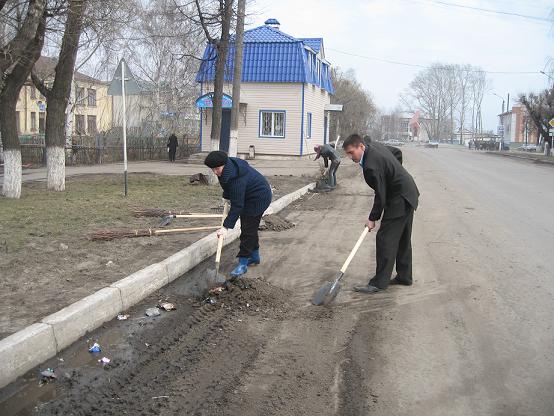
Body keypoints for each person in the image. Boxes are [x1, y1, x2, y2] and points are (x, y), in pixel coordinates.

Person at [342, 134, 420, 293]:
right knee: (403, 238)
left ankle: (378, 283)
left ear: (361, 146)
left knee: (385, 238)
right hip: (409, 192)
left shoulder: (371, 165)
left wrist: (372, 218)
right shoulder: (374, 146)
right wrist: (395, 174)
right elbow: (397, 152)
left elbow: (381, 195)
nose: (350, 157)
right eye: (348, 154)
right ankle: (405, 277)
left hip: (400, 198)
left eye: (351, 152)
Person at [204, 151, 272, 278]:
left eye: (217, 168)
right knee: (249, 229)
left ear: (224, 164)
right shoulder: (226, 167)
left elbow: (237, 206)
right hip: (248, 195)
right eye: (212, 169)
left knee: (247, 231)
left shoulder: (236, 178)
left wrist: (225, 227)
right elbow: (226, 184)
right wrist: (226, 196)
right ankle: (255, 256)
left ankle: (243, 263)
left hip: (258, 198)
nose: (215, 172)